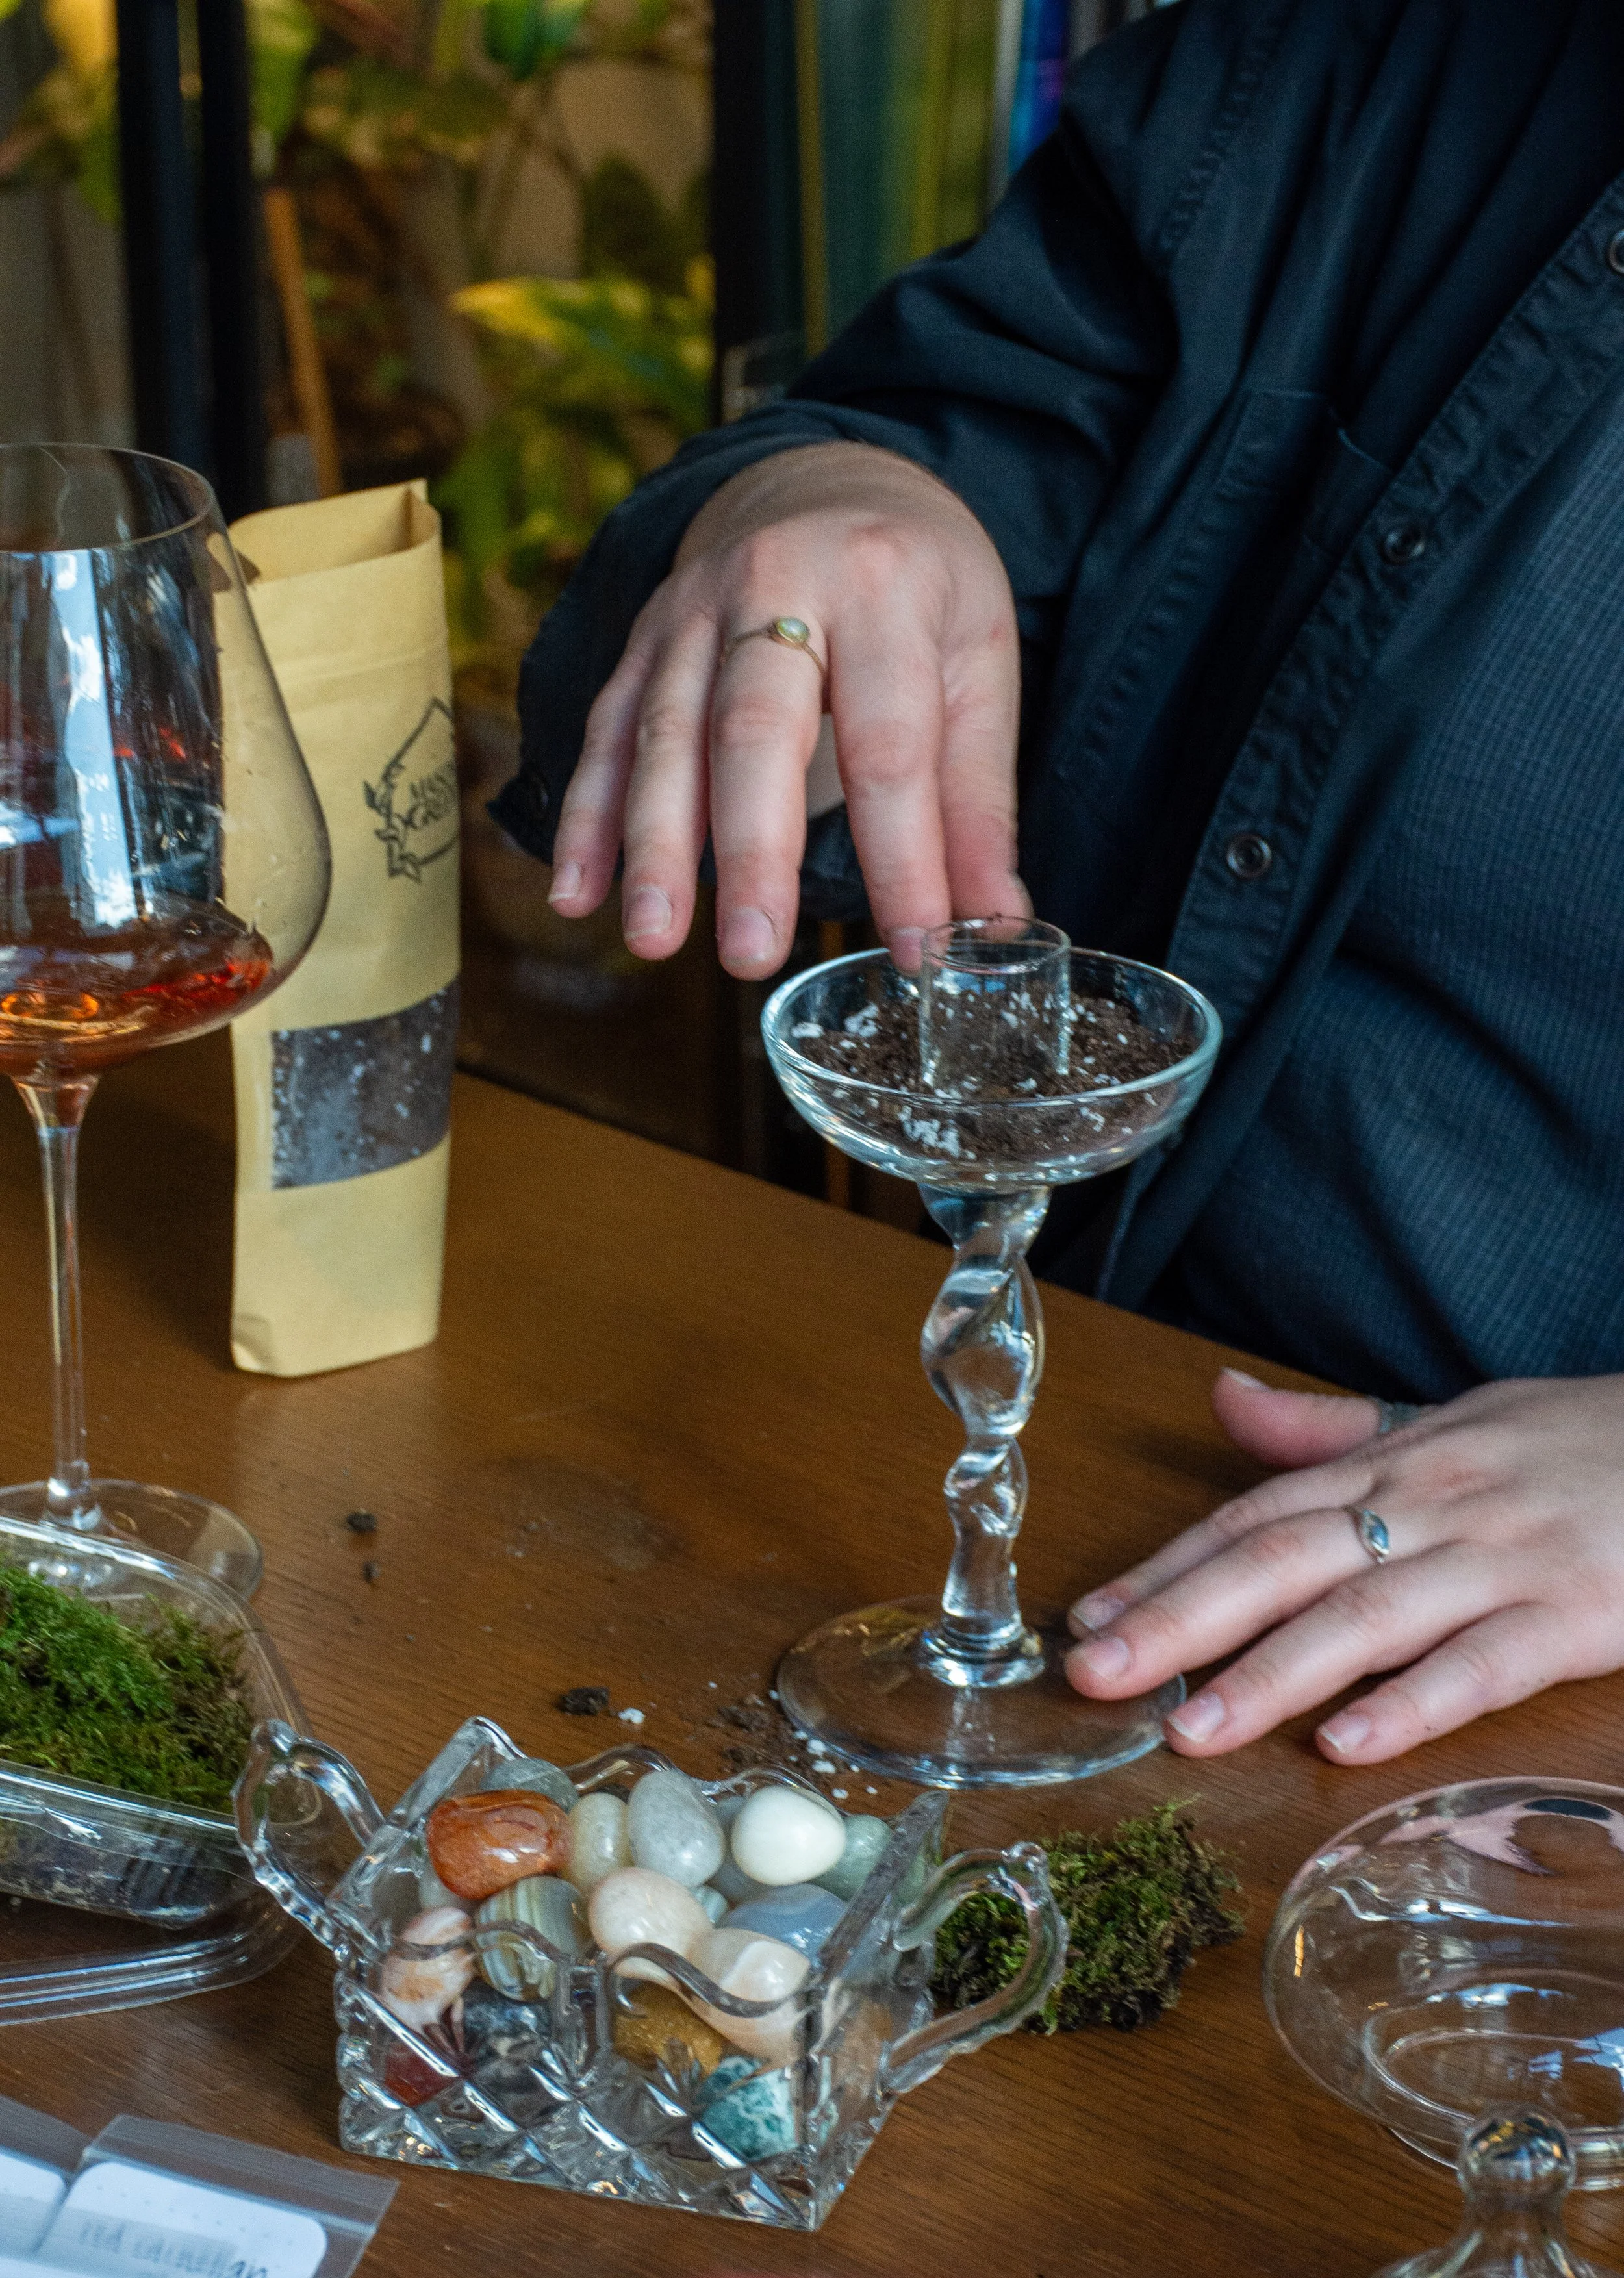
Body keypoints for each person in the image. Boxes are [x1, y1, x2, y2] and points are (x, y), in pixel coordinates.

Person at [492, 0, 1624, 1768]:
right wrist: (818, 498)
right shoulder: (1325, 70)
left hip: (1521, 1729)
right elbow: (902, 459)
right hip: (1081, 1471)